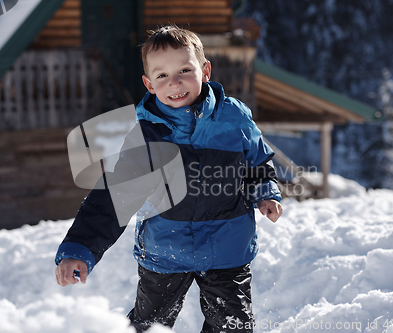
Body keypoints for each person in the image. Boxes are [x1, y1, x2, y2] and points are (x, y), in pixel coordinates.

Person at [55, 25, 283, 332]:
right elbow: (113, 198)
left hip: (227, 247)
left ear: (205, 70)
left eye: (184, 70)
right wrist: (79, 248)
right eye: (162, 75)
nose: (174, 82)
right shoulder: (146, 137)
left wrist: (264, 192)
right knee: (149, 325)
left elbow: (257, 161)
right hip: (166, 250)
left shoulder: (234, 118)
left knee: (233, 327)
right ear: (149, 84)